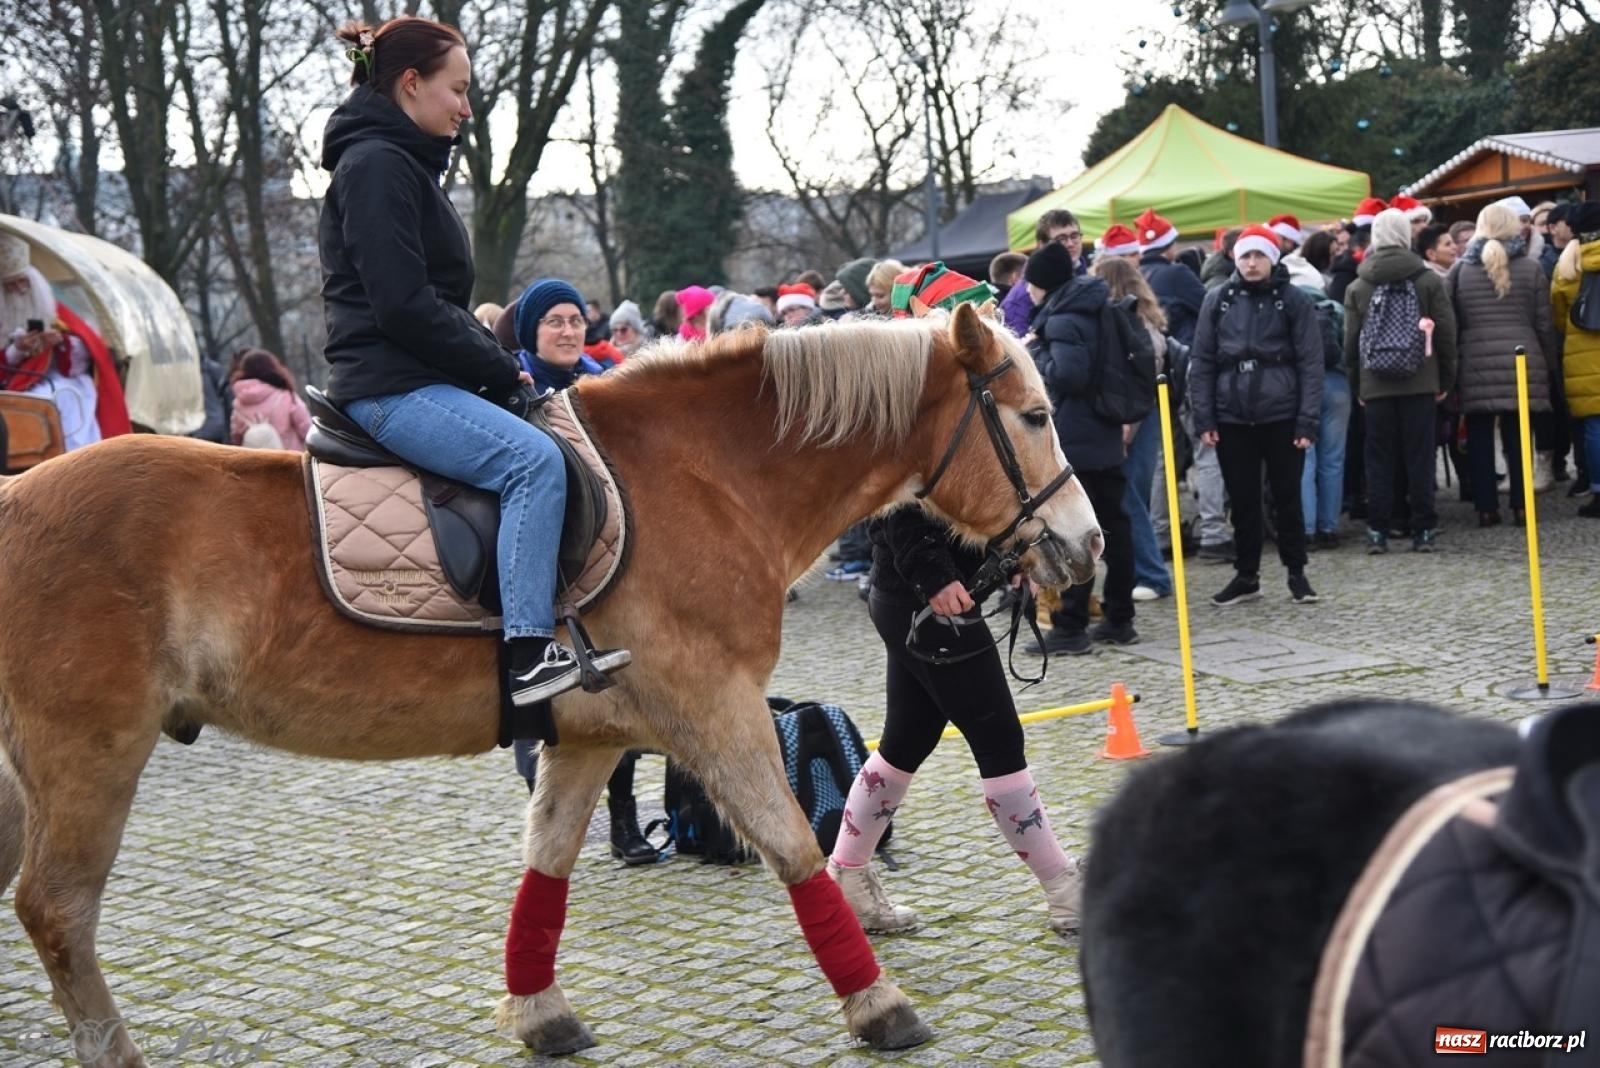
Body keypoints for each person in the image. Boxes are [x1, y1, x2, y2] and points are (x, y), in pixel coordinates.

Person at [317, 14, 629, 706]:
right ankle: (525, 652)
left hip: (414, 374)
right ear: (409, 84)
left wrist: (490, 360)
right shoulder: (375, 168)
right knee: (532, 462)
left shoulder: (400, 166)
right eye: (456, 90)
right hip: (389, 386)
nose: (465, 106)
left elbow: (433, 303)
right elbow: (402, 306)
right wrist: (494, 367)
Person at [825, 507, 1080, 937]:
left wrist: (1014, 558)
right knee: (999, 742)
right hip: (929, 604)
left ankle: (847, 878)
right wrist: (933, 576)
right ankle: (1065, 891)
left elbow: (974, 489)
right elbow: (897, 499)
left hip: (913, 599)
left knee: (905, 743)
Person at [1189, 224, 1324, 607]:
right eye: (1245, 255)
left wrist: (1307, 420)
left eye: (1259, 255)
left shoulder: (1293, 300)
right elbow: (1202, 362)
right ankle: (1246, 575)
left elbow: (1311, 363)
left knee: (1287, 499)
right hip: (1232, 417)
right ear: (1235, 258)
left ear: (1272, 258)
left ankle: (1296, 572)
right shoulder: (1218, 299)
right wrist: (1206, 419)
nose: (1251, 263)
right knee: (1243, 501)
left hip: (1282, 415)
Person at [1022, 240, 1137, 653]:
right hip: (1104, 432)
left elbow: (1069, 376)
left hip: (1077, 436)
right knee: (1116, 527)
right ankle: (1120, 618)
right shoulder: (1095, 303)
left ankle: (1070, 626)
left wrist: (1037, 351)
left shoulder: (1062, 318)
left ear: (1042, 283)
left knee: (1072, 531)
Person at [1343, 208, 1458, 553]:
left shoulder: (1359, 285)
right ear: (1407, 236)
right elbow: (1446, 334)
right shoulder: (1427, 280)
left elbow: (1349, 343)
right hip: (1420, 382)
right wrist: (1445, 379)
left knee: (1378, 459)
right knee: (1420, 458)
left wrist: (1357, 385)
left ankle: (1378, 530)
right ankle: (1423, 529)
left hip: (1375, 385)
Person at [1448, 201, 1560, 527]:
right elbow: (1543, 322)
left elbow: (1451, 324)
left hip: (1475, 361)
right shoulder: (1531, 268)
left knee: (1480, 437)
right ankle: (1522, 506)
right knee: (1519, 436)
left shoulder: (1460, 270)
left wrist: (1452, 368)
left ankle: (1486, 507)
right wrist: (1549, 364)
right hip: (1523, 359)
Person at [0, 232, 131, 451]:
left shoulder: (56, 313)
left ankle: (70, 456)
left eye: (22, 283)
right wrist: (17, 349)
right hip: (16, 383)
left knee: (61, 397)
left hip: (61, 378)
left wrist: (61, 343)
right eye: (9, 286)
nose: (17, 290)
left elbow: (89, 352)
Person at [1092, 255, 1171, 602]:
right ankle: (1145, 571)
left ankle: (1153, 574)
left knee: (1131, 498)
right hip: (1138, 414)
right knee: (1128, 496)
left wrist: (1127, 426)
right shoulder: (1142, 320)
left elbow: (1141, 382)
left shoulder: (1136, 324)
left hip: (1137, 416)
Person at [1549, 201, 1600, 516]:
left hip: (1581, 353)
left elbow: (1557, 313)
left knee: (1595, 426)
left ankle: (1598, 492)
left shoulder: (1567, 264)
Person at [1000, 209, 1084, 335]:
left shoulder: (1087, 277)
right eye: (1061, 239)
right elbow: (1024, 351)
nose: (1071, 244)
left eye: (1074, 236)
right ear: (1042, 245)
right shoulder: (1019, 300)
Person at [1135, 207, 1206, 346]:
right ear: (1168, 245)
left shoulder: (1136, 275)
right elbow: (1207, 306)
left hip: (1152, 352)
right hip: (1181, 351)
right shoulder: (1177, 273)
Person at [229, 348, 312, 450]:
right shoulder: (286, 396)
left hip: (255, 462)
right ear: (272, 368)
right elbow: (306, 429)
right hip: (289, 460)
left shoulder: (239, 403)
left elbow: (236, 437)